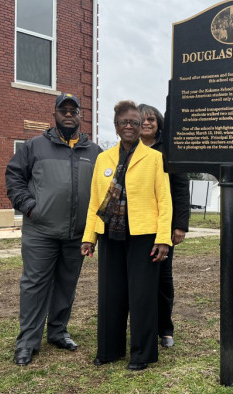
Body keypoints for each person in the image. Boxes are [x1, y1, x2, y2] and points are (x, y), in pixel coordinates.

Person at [6, 93, 102, 366]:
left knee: (66, 285)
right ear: (55, 115)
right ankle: (27, 341)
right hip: (41, 230)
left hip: (77, 234)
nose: (68, 114)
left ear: (81, 115)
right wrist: (30, 207)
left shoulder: (94, 152)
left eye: (74, 110)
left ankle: (58, 332)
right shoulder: (34, 147)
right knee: (34, 285)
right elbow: (14, 178)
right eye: (63, 110)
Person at [81, 100, 172, 371]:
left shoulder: (155, 158)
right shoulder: (103, 159)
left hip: (144, 235)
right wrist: (89, 237)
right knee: (111, 294)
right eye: (124, 122)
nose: (130, 126)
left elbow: (165, 200)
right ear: (117, 126)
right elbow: (94, 201)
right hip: (110, 234)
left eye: (135, 121)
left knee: (142, 296)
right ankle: (109, 350)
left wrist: (163, 238)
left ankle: (142, 354)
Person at [138, 104, 191, 349]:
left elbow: (180, 188)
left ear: (158, 123)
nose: (146, 123)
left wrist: (179, 226)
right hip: (134, 226)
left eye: (151, 119)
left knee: (162, 279)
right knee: (136, 279)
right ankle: (140, 326)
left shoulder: (169, 150)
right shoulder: (129, 149)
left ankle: (165, 329)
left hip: (163, 227)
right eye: (142, 119)